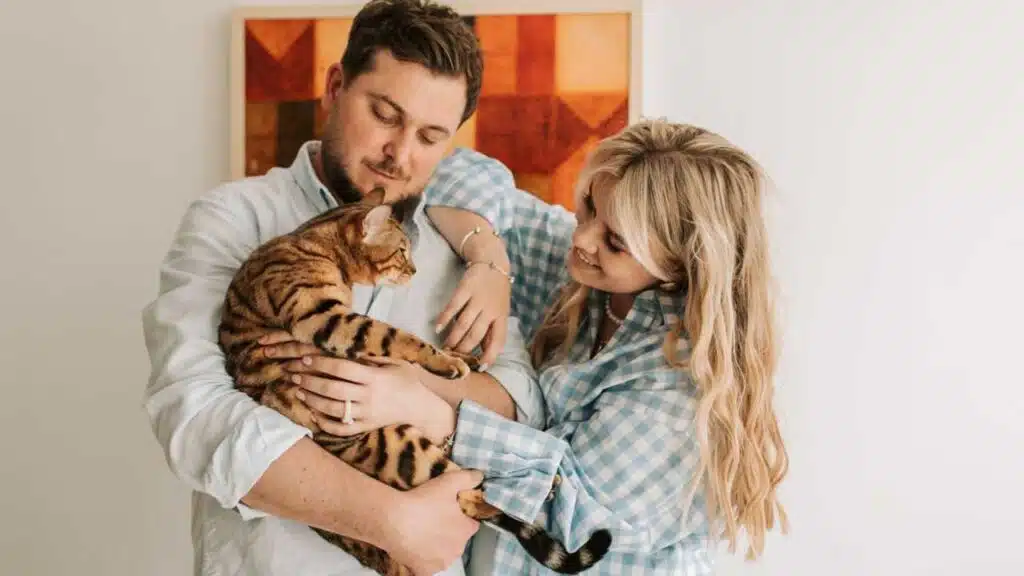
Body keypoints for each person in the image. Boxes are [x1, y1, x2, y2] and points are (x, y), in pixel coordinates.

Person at [140, 1, 544, 575]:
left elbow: (521, 407)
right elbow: (195, 416)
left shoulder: (460, 249)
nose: (400, 154)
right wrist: (391, 521)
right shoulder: (233, 219)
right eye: (384, 114)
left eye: (431, 136)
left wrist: (414, 389)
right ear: (335, 87)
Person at [403, 119, 792, 574]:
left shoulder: (682, 380)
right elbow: (456, 171)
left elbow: (571, 514)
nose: (582, 238)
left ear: (677, 265)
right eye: (589, 206)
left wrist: (428, 412)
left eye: (616, 242)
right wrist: (488, 259)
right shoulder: (584, 275)